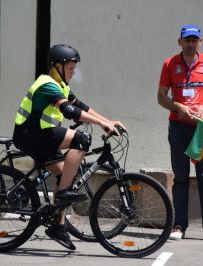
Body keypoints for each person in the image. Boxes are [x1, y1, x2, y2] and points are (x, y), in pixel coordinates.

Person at [13, 44, 126, 250]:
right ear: (57, 66)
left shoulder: (61, 85)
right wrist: (101, 124)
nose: (73, 73)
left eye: (74, 69)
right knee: (81, 139)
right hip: (31, 135)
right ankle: (64, 193)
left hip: (41, 135)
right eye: (70, 69)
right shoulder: (47, 84)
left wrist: (108, 121)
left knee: (63, 174)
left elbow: (81, 106)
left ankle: (59, 226)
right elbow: (69, 111)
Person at [157, 24, 203, 243]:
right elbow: (161, 97)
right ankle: (179, 226)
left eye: (194, 40)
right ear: (180, 42)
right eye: (186, 40)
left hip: (202, 127)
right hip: (178, 127)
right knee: (180, 178)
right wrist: (179, 107)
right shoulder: (170, 63)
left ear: (200, 41)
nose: (190, 43)